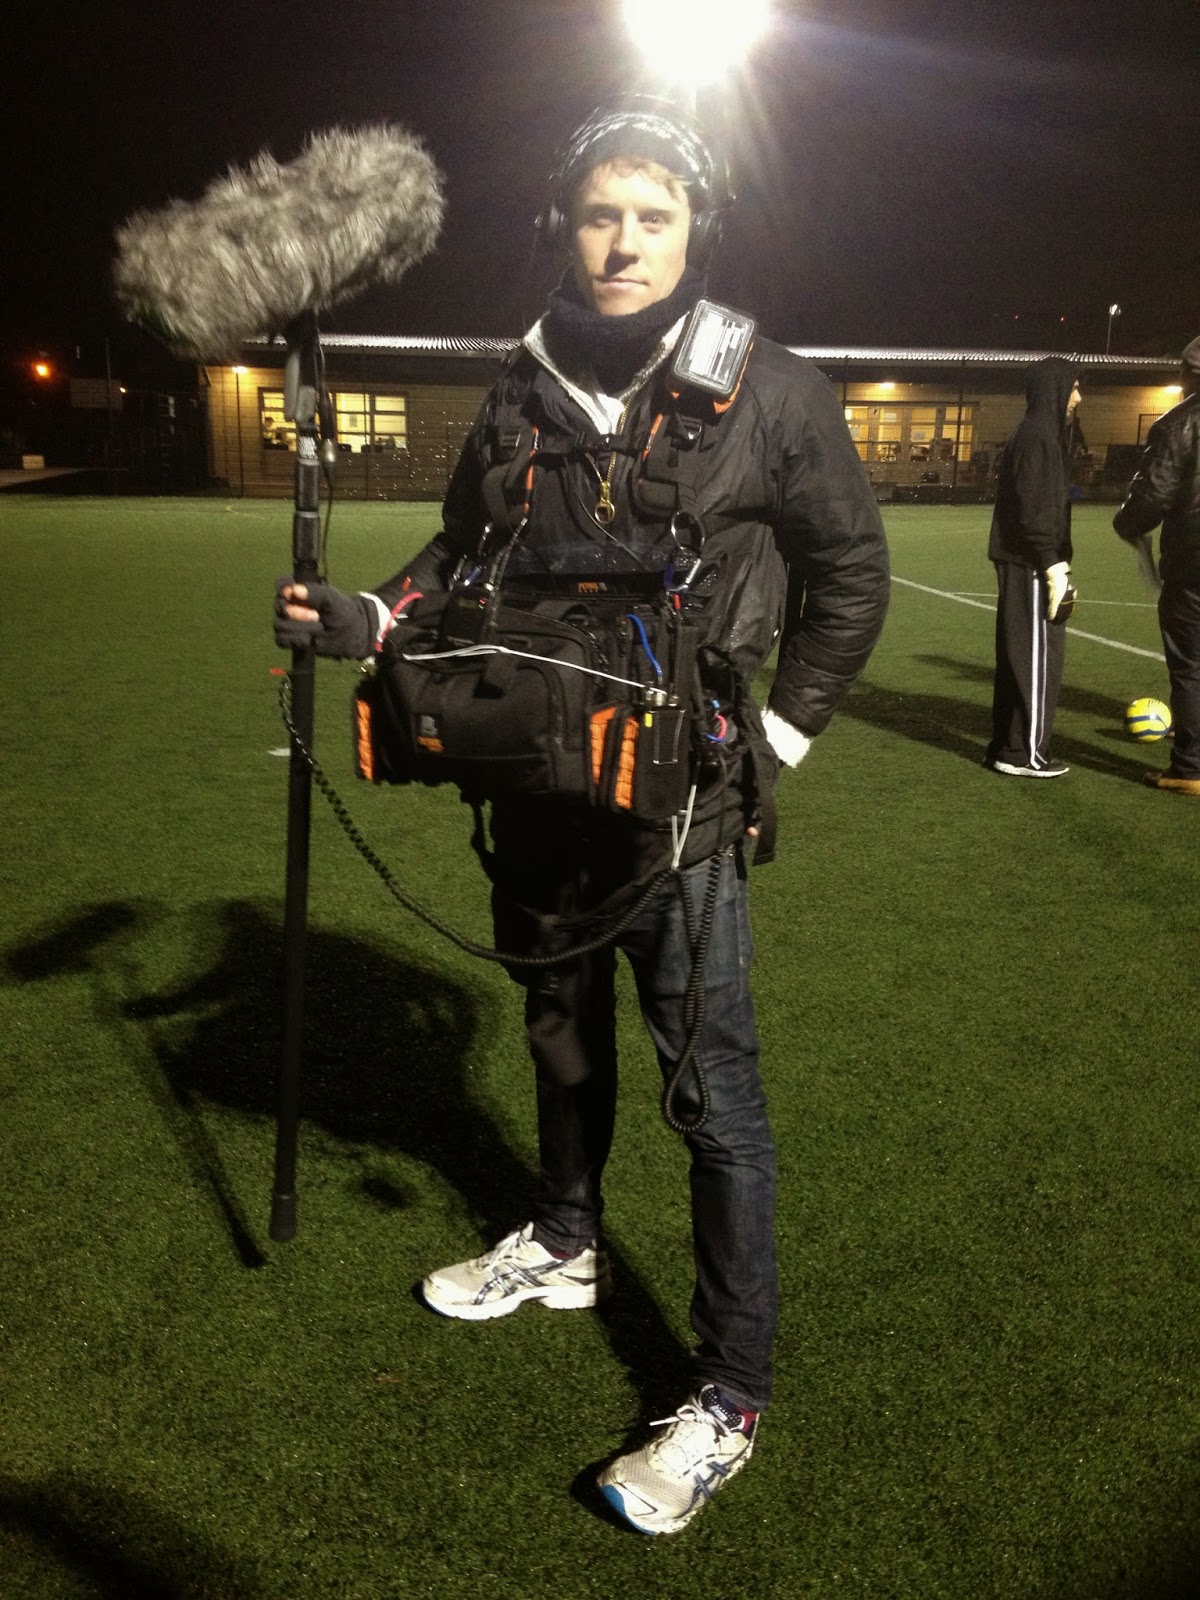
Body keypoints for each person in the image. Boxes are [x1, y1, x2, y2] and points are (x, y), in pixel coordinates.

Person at [274, 98, 890, 1534]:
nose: (624, 242)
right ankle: (564, 1239)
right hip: (538, 778)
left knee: (713, 1097)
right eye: (603, 214)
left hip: (681, 808)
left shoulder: (771, 388)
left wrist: (778, 740)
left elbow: (850, 574)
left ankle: (730, 1391)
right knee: (558, 1029)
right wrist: (367, 615)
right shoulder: (522, 383)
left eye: (653, 217)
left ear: (693, 230)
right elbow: (459, 554)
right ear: (567, 224)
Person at [984, 357, 1081, 778]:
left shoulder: (1037, 434)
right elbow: (1033, 509)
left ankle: (1008, 748)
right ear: (1054, 389)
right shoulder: (1038, 437)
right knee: (1037, 660)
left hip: (1023, 560)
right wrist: (1052, 564)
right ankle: (1027, 754)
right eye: (1073, 388)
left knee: (1018, 657)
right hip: (1031, 563)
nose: (1078, 397)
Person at [1113, 335, 1200, 797]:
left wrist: (1127, 525)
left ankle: (1190, 768)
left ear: (1188, 374)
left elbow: (1153, 494)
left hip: (1193, 567)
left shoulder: (1179, 423)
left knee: (1191, 666)